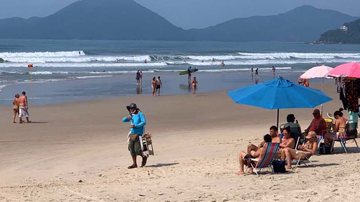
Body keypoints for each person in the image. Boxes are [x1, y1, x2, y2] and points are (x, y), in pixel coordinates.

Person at [122, 103, 147, 169]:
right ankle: (134, 164)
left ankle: (144, 156)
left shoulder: (140, 114)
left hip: (139, 134)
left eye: (133, 109)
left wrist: (136, 126)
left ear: (136, 109)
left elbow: (144, 122)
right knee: (131, 148)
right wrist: (128, 117)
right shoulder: (131, 116)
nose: (132, 110)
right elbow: (123, 120)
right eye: (130, 109)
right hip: (132, 134)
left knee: (137, 150)